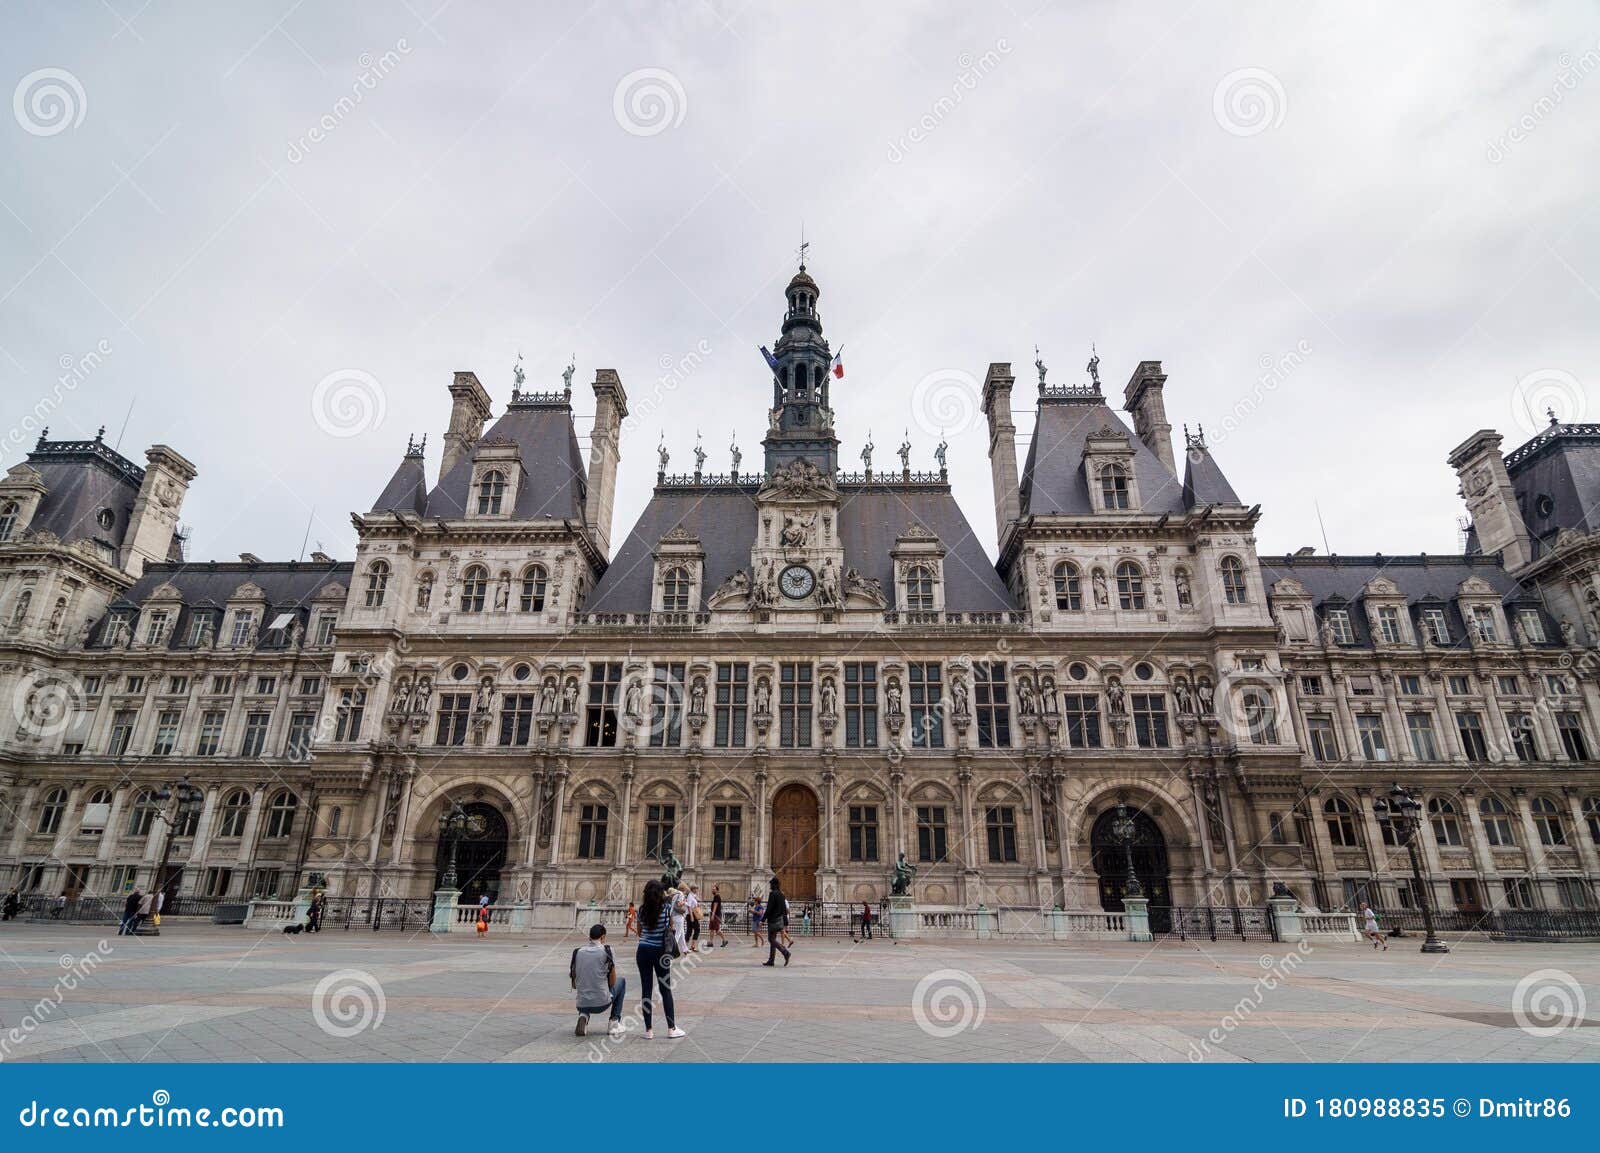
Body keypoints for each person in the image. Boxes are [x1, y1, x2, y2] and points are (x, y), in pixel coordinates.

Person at [634, 880, 685, 1039]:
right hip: (660, 952)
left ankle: (648, 1030)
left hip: (643, 951)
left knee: (646, 990)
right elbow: (670, 928)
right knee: (665, 989)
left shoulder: (641, 910)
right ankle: (671, 1028)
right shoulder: (667, 908)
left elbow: (640, 931)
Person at [570, 922, 626, 1039]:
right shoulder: (607, 951)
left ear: (589, 937)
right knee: (622, 982)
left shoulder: (578, 952)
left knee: (586, 987)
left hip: (581, 1003)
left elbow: (574, 985)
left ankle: (584, 1016)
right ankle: (614, 1022)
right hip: (601, 1003)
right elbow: (612, 982)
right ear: (603, 937)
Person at [762, 877, 791, 967]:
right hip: (780, 920)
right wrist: (785, 921)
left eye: (771, 884)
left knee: (771, 939)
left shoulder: (772, 894)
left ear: (773, 885)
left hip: (773, 920)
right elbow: (784, 909)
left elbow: (769, 908)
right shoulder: (782, 895)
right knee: (773, 939)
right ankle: (771, 960)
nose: (770, 885)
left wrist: (763, 920)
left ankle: (785, 952)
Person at [685, 885, 701, 952]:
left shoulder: (693, 896)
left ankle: (690, 946)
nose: (697, 890)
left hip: (693, 914)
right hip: (691, 915)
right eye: (696, 889)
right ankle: (688, 946)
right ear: (693, 889)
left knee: (690, 930)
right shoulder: (690, 896)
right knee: (695, 930)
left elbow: (693, 905)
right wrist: (691, 916)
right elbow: (689, 907)